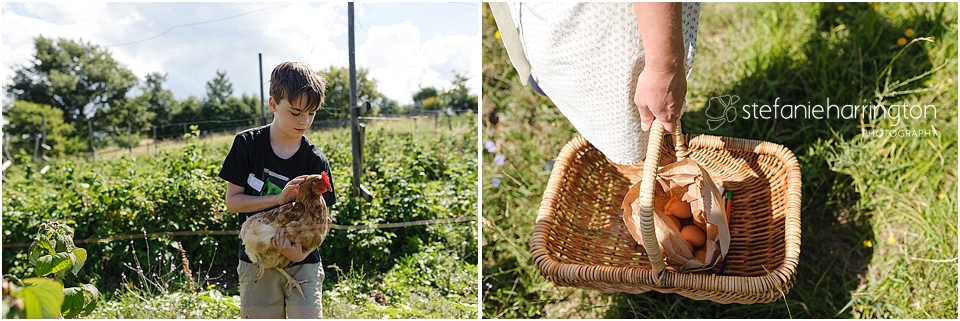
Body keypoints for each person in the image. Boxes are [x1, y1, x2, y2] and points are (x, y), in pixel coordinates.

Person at [492, 2, 701, 165]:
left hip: (615, 35)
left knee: (639, 118)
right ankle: (631, 156)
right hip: (550, 28)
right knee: (602, 116)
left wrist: (663, 67)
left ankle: (654, 160)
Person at [218, 61, 338, 318]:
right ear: (273, 104)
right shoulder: (247, 145)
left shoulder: (314, 159)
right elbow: (233, 202)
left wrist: (300, 252)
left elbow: (325, 220)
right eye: (295, 112)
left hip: (303, 263)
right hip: (258, 260)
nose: (304, 121)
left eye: (312, 113)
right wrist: (280, 198)